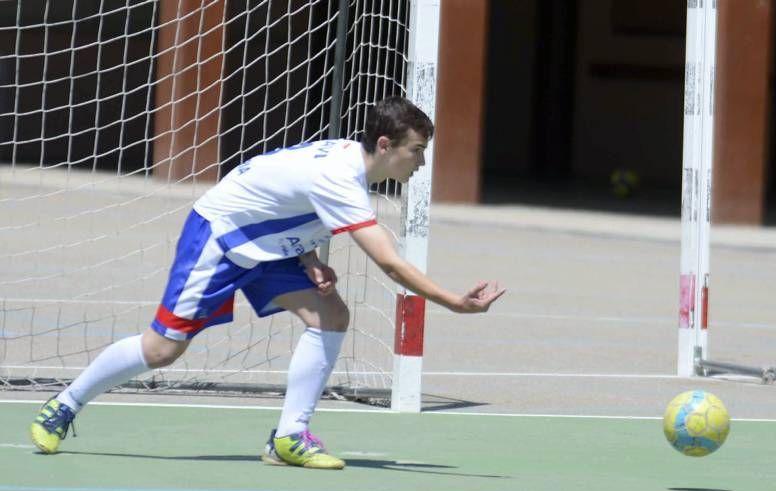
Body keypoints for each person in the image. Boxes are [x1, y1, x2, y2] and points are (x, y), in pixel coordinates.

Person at [30, 96, 505, 469]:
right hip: (221, 239)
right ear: (385, 146)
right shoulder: (341, 179)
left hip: (270, 242)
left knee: (331, 315)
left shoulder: (345, 161)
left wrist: (308, 257)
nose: (420, 164)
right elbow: (391, 266)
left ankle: (289, 439)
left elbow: (279, 198)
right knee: (162, 351)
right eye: (416, 152)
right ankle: (64, 405)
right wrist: (452, 303)